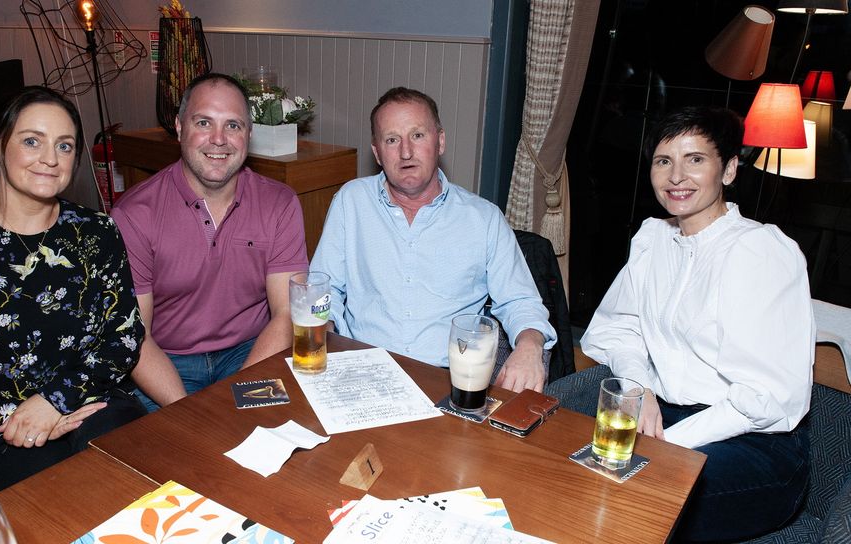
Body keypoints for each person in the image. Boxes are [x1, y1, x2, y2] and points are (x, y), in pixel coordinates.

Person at [575, 106, 814, 541]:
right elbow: (620, 328)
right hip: (664, 415)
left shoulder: (760, 252)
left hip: (754, 443)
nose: (676, 176)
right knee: (567, 476)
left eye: (696, 159)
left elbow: (765, 399)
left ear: (729, 170)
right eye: (664, 161)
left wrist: (664, 445)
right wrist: (638, 390)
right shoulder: (653, 240)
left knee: (633, 499)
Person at [0, 86, 146, 494]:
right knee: (57, 497)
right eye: (32, 141)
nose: (50, 159)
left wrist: (53, 401)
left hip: (92, 400)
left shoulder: (97, 232)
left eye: (64, 146)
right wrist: (14, 415)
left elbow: (122, 338)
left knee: (141, 477)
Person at [310, 87, 556, 393]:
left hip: (447, 381)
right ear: (377, 153)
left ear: (440, 141)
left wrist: (530, 345)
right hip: (362, 371)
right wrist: (324, 332)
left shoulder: (484, 219)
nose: (405, 152)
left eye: (417, 135)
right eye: (391, 139)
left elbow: (521, 301)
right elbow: (323, 287)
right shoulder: (351, 202)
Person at [111, 73, 308, 412]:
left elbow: (288, 313)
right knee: (179, 455)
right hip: (168, 362)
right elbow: (137, 338)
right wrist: (191, 415)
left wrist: (240, 402)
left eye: (233, 125)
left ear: (249, 134)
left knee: (285, 436)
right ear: (179, 127)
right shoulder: (133, 214)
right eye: (204, 122)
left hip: (249, 352)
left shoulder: (280, 203)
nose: (219, 139)